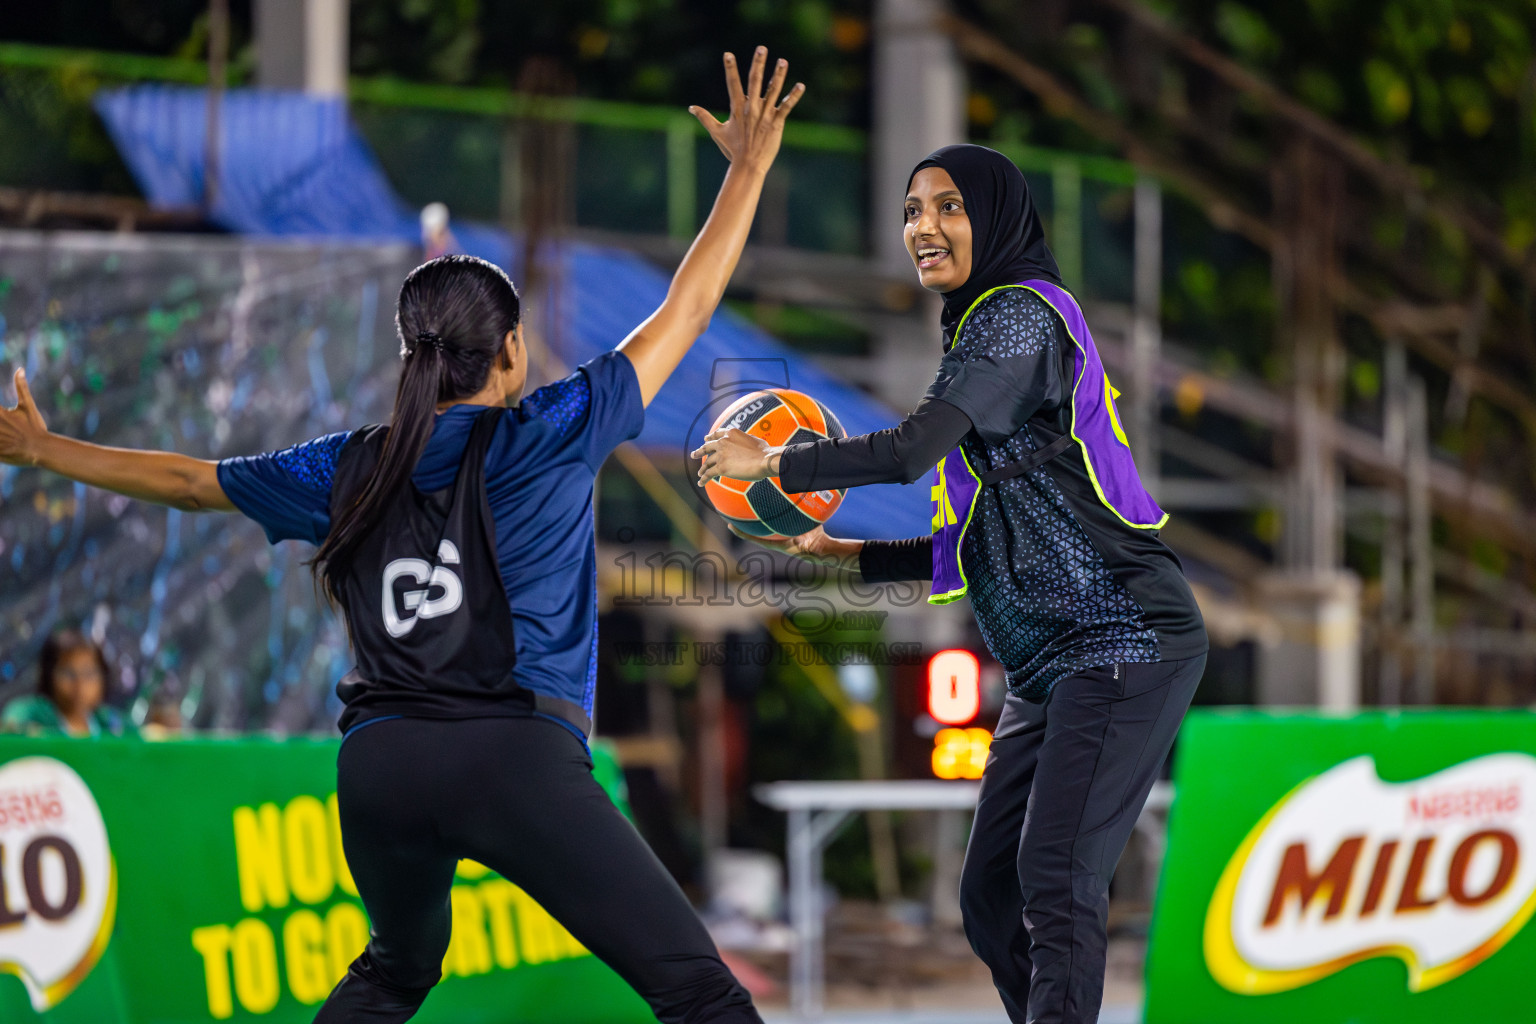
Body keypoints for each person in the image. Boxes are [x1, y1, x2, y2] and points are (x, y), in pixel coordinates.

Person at [0, 47, 803, 1024]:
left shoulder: (348, 465)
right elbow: (690, 304)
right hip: (513, 756)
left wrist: (43, 451)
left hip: (380, 764)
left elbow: (183, 481)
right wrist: (748, 168)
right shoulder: (554, 425)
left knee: (395, 970)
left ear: (409, 354)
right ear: (511, 349)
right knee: (699, 991)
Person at [694, 144, 1208, 1024]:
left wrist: (773, 459)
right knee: (988, 899)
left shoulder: (1018, 319)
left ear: (997, 219)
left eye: (948, 208)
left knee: (1056, 876)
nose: (923, 229)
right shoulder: (975, 340)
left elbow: (908, 451)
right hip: (1047, 671)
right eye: (910, 212)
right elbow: (963, 549)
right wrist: (836, 551)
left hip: (1128, 641)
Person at [1, 629, 135, 737]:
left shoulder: (109, 722)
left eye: (89, 674)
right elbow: (12, 724)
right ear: (49, 675)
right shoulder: (33, 714)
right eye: (69, 674)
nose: (80, 684)